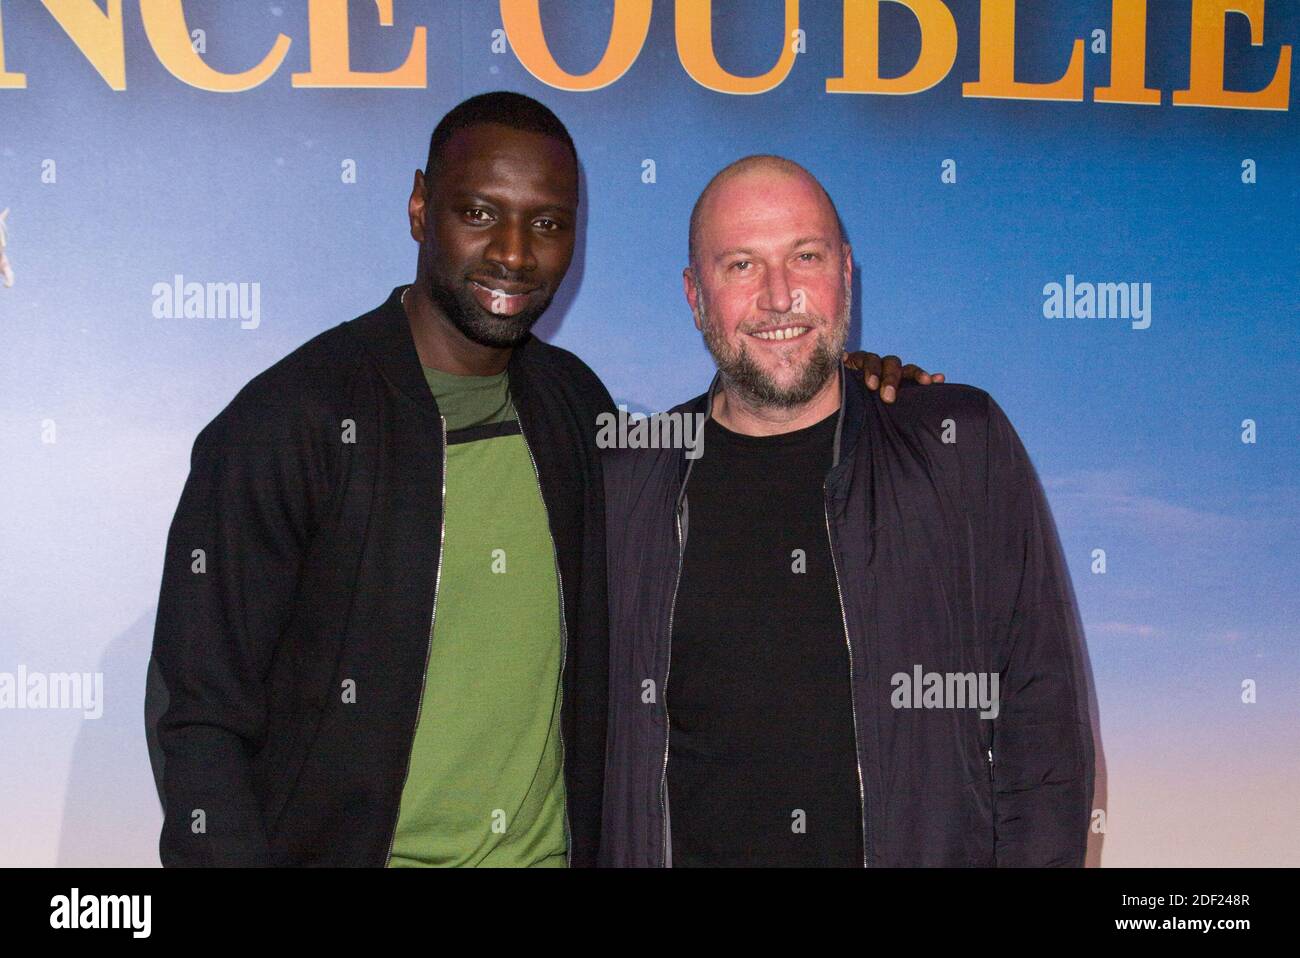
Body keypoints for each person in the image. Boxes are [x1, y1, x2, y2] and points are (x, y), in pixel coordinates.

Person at [145, 93, 936, 867]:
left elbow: (740, 455)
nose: (515, 253)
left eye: (548, 224)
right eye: (480, 213)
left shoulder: (573, 406)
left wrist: (847, 385)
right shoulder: (289, 423)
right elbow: (199, 719)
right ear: (421, 208)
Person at [600, 155, 1095, 867]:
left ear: (846, 273)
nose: (780, 296)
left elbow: (1042, 722)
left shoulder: (958, 447)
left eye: (806, 257)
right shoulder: (627, 485)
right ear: (694, 295)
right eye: (740, 265)